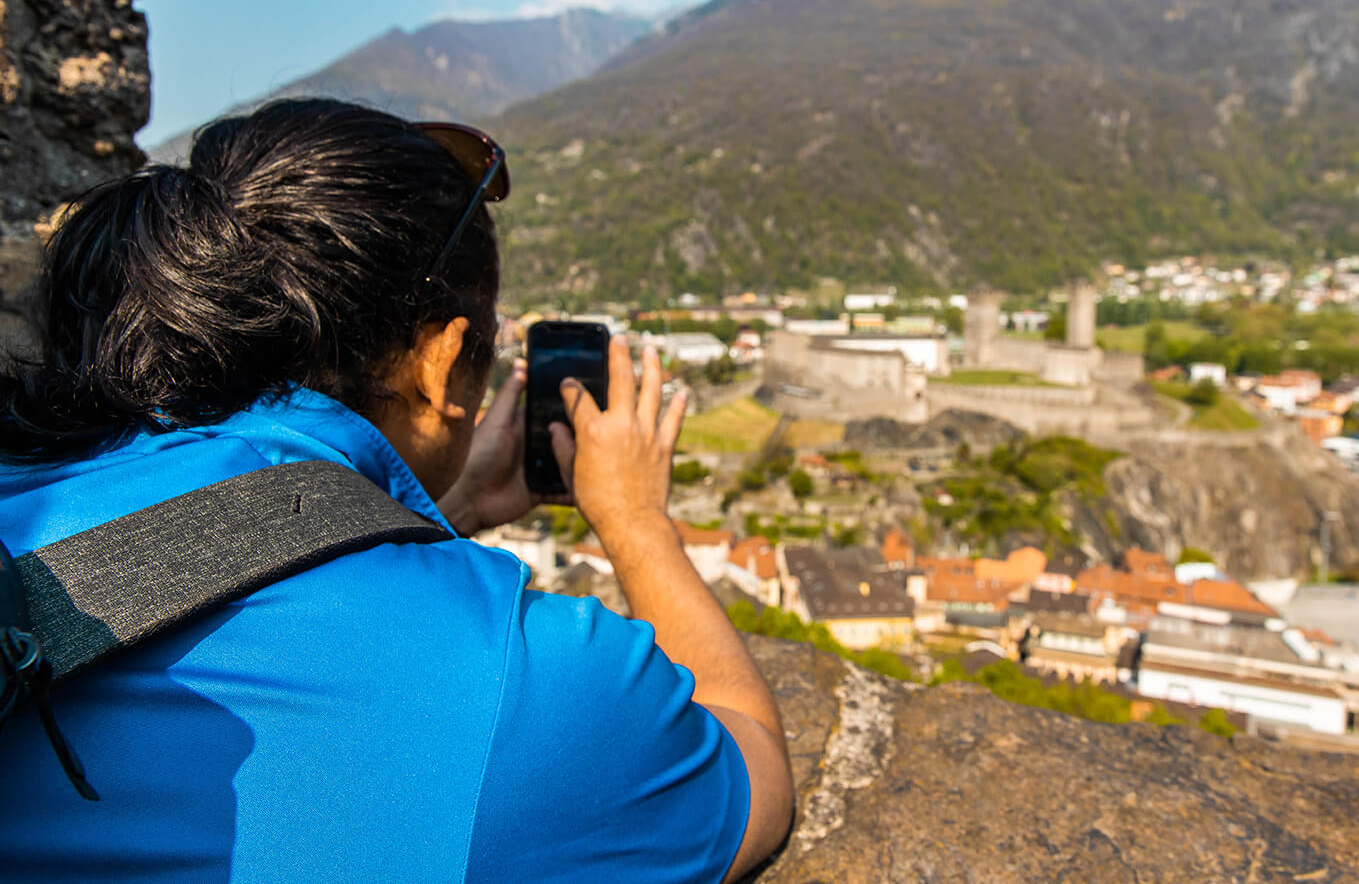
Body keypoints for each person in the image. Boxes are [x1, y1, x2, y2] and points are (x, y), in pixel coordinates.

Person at [0, 98, 793, 882]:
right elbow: (750, 761)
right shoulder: (519, 683)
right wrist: (635, 520)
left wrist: (433, 512)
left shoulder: (27, 473)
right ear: (440, 362)